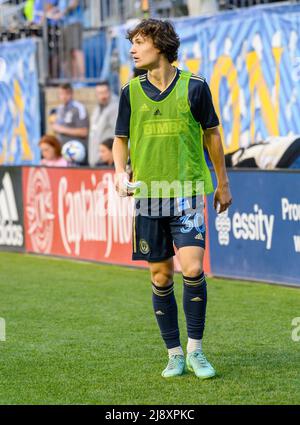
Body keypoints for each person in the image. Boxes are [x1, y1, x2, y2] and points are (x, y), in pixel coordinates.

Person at [113, 19, 232, 379]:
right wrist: (120, 172)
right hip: (150, 196)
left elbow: (212, 135)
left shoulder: (195, 87)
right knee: (162, 277)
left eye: (139, 42)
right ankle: (174, 354)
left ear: (160, 45)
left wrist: (222, 183)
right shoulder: (130, 92)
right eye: (131, 43)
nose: (133, 49)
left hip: (187, 193)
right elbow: (120, 139)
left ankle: (196, 351)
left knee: (193, 269)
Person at [52, 82, 89, 163]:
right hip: (63, 151)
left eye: (67, 94)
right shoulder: (59, 109)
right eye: (61, 94)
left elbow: (84, 132)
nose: (64, 97)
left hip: (76, 152)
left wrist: (61, 129)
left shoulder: (79, 108)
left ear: (71, 94)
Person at [88, 81, 119, 167]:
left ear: (110, 92)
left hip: (108, 162)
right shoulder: (97, 109)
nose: (103, 96)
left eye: (105, 92)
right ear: (96, 94)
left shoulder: (115, 108)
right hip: (96, 159)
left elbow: (119, 134)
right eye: (100, 93)